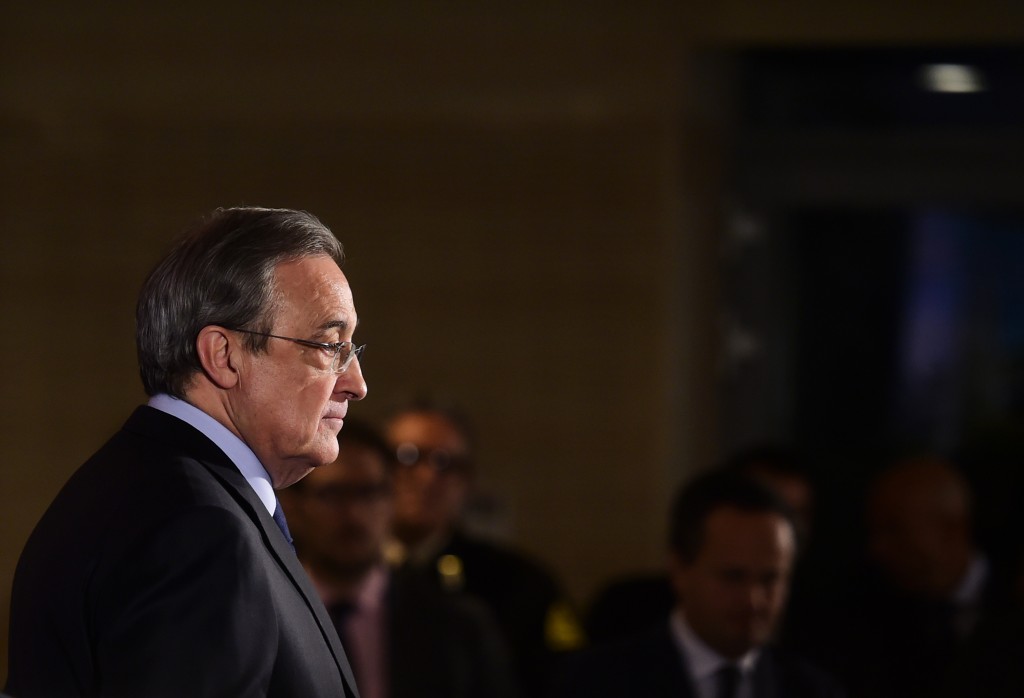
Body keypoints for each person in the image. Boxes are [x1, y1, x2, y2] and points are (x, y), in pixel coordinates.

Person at [6, 207, 367, 697]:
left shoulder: (142, 488)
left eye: (352, 349)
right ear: (224, 356)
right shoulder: (198, 531)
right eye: (330, 346)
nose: (355, 384)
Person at [280, 419, 519, 698]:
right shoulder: (271, 615)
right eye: (333, 494)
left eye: (369, 493)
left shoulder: (458, 626)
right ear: (295, 507)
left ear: (392, 499)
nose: (354, 515)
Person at [556, 470, 843, 698]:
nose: (753, 600)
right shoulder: (597, 682)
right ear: (679, 569)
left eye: (770, 579)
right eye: (733, 577)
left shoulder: (810, 689)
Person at [384, 401, 583, 693]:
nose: (428, 477)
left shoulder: (519, 584)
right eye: (409, 457)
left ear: (468, 481)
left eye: (445, 463)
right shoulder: (337, 573)